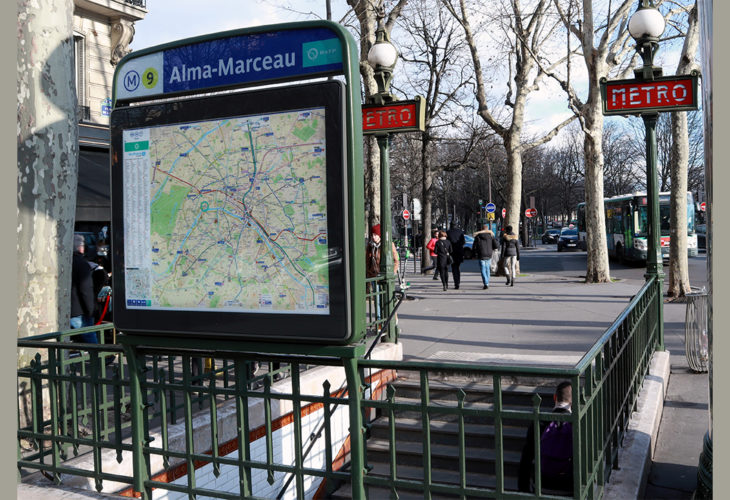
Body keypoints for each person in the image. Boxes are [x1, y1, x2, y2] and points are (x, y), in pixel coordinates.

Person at [518, 381, 574, 493]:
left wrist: (524, 490)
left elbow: (526, 460)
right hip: (568, 487)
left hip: (542, 486)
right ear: (572, 402)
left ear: (554, 397)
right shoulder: (575, 424)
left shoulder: (540, 423)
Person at [70, 233, 99, 343]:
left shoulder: (66, 261)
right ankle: (96, 353)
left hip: (68, 308)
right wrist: (91, 310)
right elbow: (85, 290)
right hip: (79, 310)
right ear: (80, 247)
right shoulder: (82, 264)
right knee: (90, 338)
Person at [473, 223, 498, 290]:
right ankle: (487, 282)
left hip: (481, 254)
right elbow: (496, 245)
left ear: (481, 229)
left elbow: (474, 246)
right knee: (487, 269)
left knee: (483, 269)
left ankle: (486, 283)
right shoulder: (491, 236)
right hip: (489, 254)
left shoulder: (478, 236)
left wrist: (474, 254)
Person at [446, 223, 465, 290]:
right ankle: (458, 281)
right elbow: (463, 242)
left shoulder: (448, 232)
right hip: (459, 251)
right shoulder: (460, 232)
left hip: (452, 252)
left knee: (454, 268)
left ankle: (456, 283)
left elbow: (447, 242)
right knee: (458, 267)